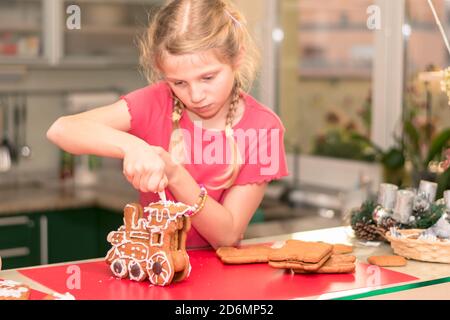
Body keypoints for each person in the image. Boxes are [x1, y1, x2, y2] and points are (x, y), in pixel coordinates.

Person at [47, 0, 288, 249]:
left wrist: (174, 174)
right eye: (179, 83)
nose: (195, 95)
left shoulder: (263, 128)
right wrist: (133, 146)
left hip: (217, 276)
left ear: (238, 56)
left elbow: (227, 236)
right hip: (156, 269)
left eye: (208, 77)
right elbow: (61, 130)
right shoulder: (157, 101)